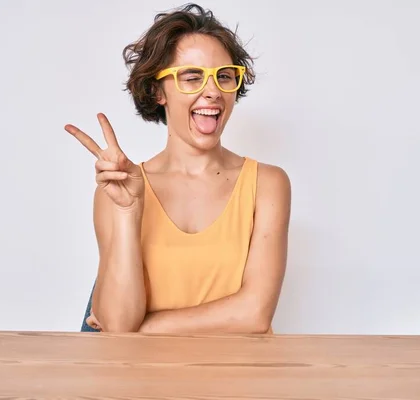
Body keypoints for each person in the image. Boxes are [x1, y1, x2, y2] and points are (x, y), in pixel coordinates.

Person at [64, 3, 291, 334]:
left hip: (239, 380)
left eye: (224, 76)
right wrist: (129, 212)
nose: (212, 91)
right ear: (158, 91)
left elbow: (254, 314)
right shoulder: (119, 189)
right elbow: (115, 325)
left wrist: (145, 328)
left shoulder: (268, 184)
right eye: (192, 77)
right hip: (144, 382)